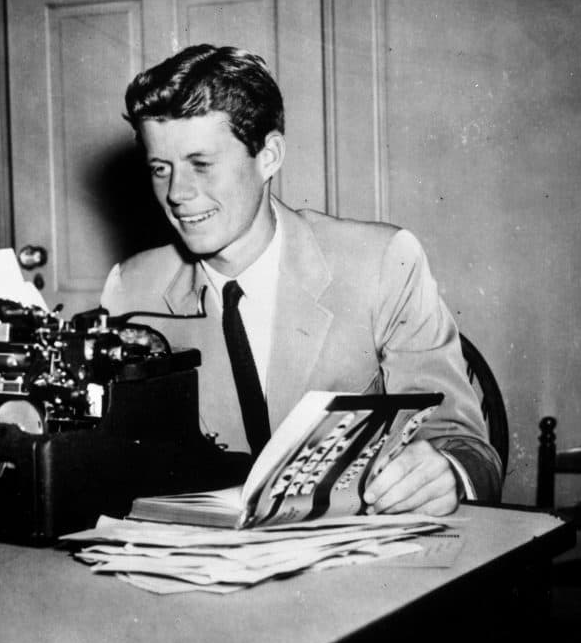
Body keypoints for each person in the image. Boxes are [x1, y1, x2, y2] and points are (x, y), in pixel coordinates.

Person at [101, 44, 502, 514]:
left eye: (202, 164)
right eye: (160, 169)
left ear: (269, 155)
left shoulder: (381, 263)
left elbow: (464, 443)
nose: (178, 194)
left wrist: (445, 473)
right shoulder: (130, 289)